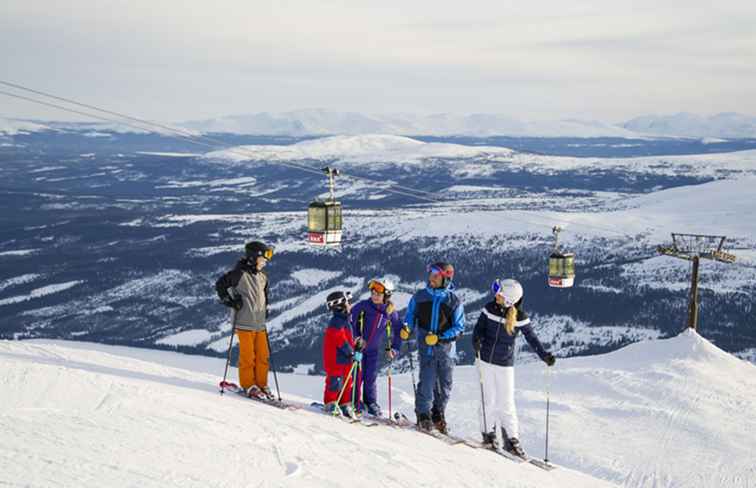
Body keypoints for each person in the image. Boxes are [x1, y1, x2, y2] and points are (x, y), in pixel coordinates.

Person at [472, 278, 555, 457]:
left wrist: (544, 356)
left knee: (507, 403)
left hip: (504, 365)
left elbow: (532, 339)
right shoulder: (489, 309)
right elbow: (478, 329)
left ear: (509, 299)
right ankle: (489, 434)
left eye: (499, 293)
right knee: (488, 400)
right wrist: (476, 340)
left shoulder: (520, 318)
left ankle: (511, 440)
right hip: (485, 361)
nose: (496, 295)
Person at [401, 262, 464, 433]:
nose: (431, 278)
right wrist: (406, 329)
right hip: (426, 350)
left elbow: (459, 328)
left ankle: (437, 414)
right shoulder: (420, 297)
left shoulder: (453, 301)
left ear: (445, 278)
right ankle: (423, 415)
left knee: (445, 386)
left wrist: (439, 337)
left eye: (436, 275)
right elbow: (410, 316)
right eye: (431, 274)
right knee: (427, 383)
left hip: (446, 351)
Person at [215, 241, 274, 399]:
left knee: (263, 356)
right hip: (244, 323)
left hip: (259, 324)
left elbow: (265, 296)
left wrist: (265, 309)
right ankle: (249, 385)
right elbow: (220, 285)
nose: (264, 263)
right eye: (262, 260)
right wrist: (230, 301)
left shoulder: (263, 277)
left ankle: (262, 384)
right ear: (253, 257)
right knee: (248, 357)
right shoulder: (239, 274)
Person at [349, 277, 403, 417]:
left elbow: (399, 331)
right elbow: (350, 320)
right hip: (358, 348)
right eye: (373, 293)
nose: (374, 296)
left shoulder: (390, 312)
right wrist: (356, 337)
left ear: (387, 296)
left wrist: (395, 349)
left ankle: (370, 402)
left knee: (370, 377)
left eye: (378, 294)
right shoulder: (363, 306)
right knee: (357, 376)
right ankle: (353, 401)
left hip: (373, 350)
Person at [322, 290, 365, 419]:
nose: (350, 304)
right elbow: (339, 340)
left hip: (345, 359)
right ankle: (331, 402)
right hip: (335, 360)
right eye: (348, 302)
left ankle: (344, 404)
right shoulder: (336, 322)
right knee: (335, 382)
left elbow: (347, 339)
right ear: (340, 305)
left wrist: (356, 345)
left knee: (347, 381)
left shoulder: (345, 320)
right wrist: (351, 351)